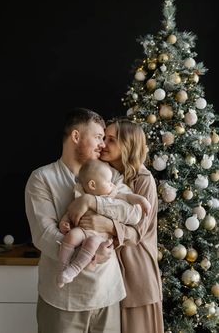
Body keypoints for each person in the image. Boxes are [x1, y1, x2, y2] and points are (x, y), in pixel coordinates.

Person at [25, 107, 143, 333]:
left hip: (107, 294)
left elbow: (133, 214)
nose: (103, 144)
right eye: (98, 137)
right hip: (62, 300)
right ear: (76, 136)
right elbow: (44, 235)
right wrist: (89, 254)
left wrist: (92, 202)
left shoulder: (110, 175)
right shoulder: (42, 178)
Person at [68, 118, 164, 333]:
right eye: (103, 138)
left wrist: (106, 222)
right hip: (108, 273)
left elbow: (137, 232)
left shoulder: (143, 179)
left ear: (127, 145)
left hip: (135, 274)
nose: (103, 144)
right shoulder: (101, 172)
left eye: (111, 139)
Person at [57, 158, 150, 288]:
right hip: (83, 230)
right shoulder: (80, 193)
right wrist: (64, 221)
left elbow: (128, 198)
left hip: (100, 235)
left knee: (92, 243)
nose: (112, 185)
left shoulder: (112, 193)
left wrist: (141, 200)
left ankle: (74, 269)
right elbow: (71, 210)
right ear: (92, 185)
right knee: (71, 236)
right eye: (108, 182)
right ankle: (62, 268)